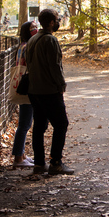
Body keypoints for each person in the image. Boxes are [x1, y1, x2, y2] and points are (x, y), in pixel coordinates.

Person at [26, 9, 73, 175]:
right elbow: (55, 66)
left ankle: (39, 163)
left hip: (34, 89)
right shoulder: (50, 40)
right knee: (61, 124)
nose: (59, 22)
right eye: (57, 19)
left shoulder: (33, 39)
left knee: (39, 126)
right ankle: (56, 162)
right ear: (52, 23)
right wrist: (61, 84)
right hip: (49, 90)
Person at [10, 20, 37, 168]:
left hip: (22, 84)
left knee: (25, 123)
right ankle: (18, 158)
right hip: (27, 86)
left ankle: (22, 154)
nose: (36, 30)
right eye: (33, 28)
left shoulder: (21, 46)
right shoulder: (28, 47)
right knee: (25, 124)